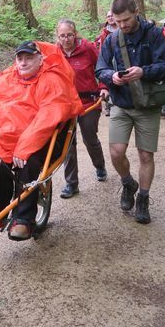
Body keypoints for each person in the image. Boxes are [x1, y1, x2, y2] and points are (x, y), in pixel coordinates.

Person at [0, 40, 84, 240]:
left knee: (30, 162)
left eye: (29, 58)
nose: (23, 63)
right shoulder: (7, 78)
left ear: (40, 59)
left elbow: (48, 117)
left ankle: (24, 218)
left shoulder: (51, 80)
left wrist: (25, 147)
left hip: (44, 139)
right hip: (9, 139)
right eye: (20, 58)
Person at [95, 0, 165, 224]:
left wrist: (144, 71)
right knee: (116, 152)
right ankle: (128, 183)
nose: (122, 25)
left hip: (147, 105)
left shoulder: (154, 35)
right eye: (118, 22)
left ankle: (143, 199)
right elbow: (101, 69)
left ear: (136, 11)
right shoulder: (112, 39)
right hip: (121, 103)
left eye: (126, 20)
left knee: (145, 155)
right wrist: (113, 77)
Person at [55, 19, 108, 200]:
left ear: (75, 33)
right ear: (57, 36)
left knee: (89, 137)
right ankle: (72, 184)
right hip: (65, 105)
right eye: (62, 35)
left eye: (69, 34)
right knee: (67, 144)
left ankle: (99, 165)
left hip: (88, 103)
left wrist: (103, 87)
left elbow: (102, 68)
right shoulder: (54, 53)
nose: (66, 39)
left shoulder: (88, 48)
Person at [95, 10, 117, 116]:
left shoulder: (122, 29)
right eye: (108, 16)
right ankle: (108, 106)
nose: (110, 17)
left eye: (112, 16)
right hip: (108, 59)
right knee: (107, 81)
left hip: (120, 60)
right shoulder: (104, 33)